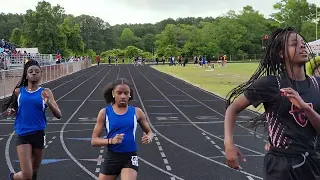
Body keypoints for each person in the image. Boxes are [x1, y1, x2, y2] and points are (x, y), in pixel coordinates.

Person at [223, 27, 320, 180]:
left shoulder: (317, 84)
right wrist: (229, 143)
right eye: (294, 44)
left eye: (303, 43)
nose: (302, 46)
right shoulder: (271, 84)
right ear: (281, 53)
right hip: (280, 166)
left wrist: (304, 107)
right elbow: (233, 108)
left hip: (312, 163)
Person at [5, 59, 62, 180]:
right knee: (27, 175)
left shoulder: (46, 92)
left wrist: (49, 103)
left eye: (37, 71)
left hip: (39, 134)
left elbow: (59, 115)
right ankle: (13, 177)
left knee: (34, 173)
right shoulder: (18, 92)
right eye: (31, 71)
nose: (34, 73)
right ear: (26, 74)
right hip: (23, 135)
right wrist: (11, 110)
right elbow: (14, 107)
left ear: (41, 74)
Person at [91, 78, 154, 180]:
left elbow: (150, 132)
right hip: (112, 157)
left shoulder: (137, 112)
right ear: (113, 94)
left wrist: (149, 137)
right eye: (119, 93)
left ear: (130, 94)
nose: (123, 96)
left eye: (126, 93)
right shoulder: (104, 113)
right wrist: (111, 141)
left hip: (130, 156)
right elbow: (94, 141)